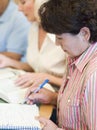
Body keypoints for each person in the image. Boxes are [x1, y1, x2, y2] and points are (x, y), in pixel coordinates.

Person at [24, 0, 97, 130]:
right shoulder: (75, 55)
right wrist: (53, 98)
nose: (57, 44)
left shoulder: (94, 75)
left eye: (60, 38)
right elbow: (81, 107)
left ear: (84, 34)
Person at [0, 0, 66, 90]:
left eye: (23, 3)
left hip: (58, 96)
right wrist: (9, 62)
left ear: (41, 2)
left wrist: (47, 78)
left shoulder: (64, 33)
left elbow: (77, 84)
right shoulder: (34, 28)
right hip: (39, 91)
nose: (19, 9)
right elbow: (36, 67)